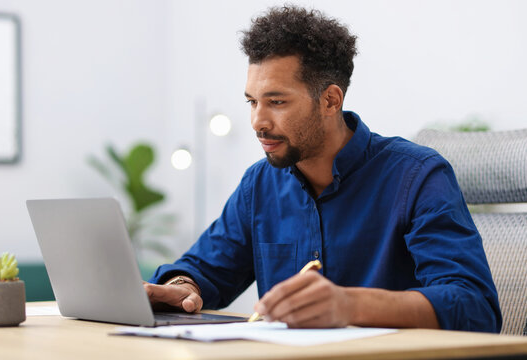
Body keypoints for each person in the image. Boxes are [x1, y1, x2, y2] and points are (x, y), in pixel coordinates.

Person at [144, 5, 501, 332]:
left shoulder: (417, 176)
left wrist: (349, 304)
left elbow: (474, 307)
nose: (257, 121)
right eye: (252, 102)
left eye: (276, 102)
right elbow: (206, 269)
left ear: (330, 100)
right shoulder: (260, 184)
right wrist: (180, 287)